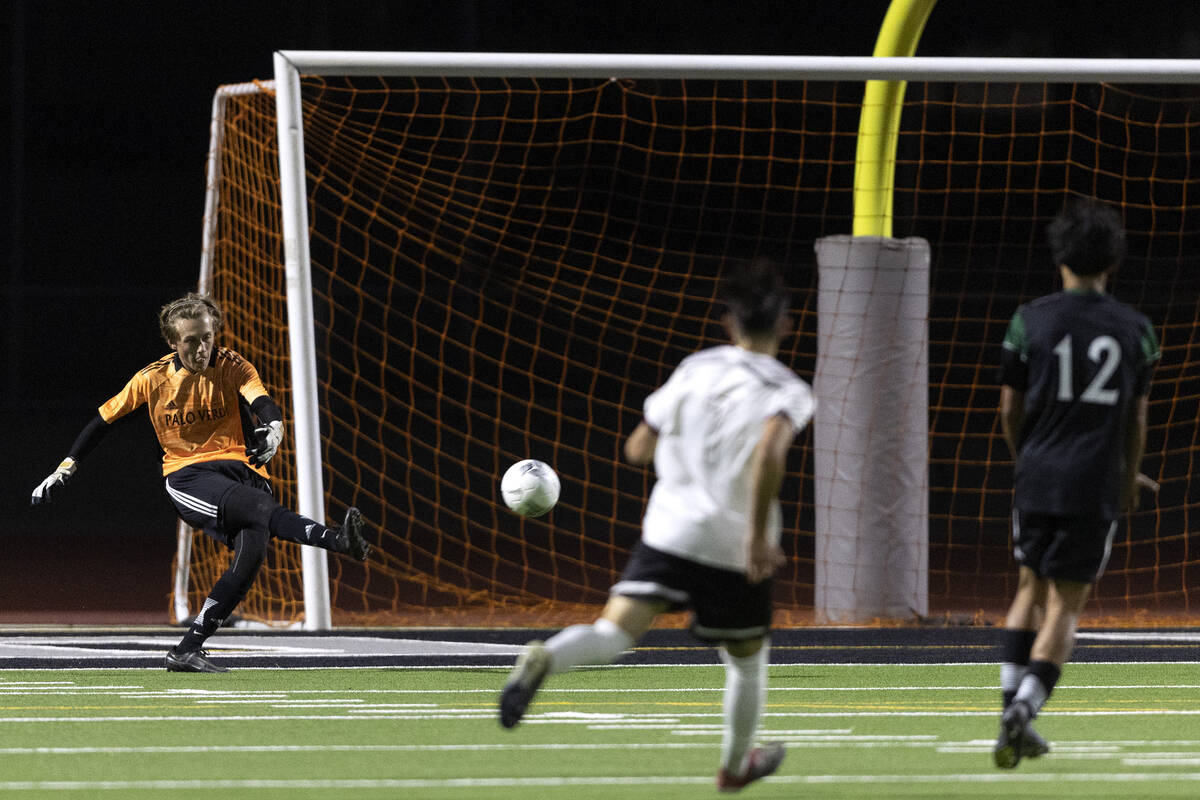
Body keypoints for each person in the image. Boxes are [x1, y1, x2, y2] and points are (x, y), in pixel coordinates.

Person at [498, 258, 814, 792]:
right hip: (731, 545)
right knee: (746, 660)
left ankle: (545, 656)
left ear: (727, 325)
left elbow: (637, 448)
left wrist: (677, 446)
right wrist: (759, 535)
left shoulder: (696, 368)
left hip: (669, 532)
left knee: (613, 633)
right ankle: (736, 768)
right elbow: (768, 453)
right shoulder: (789, 390)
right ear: (786, 326)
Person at [30, 292, 370, 673]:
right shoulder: (153, 378)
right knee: (260, 511)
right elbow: (101, 423)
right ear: (173, 342)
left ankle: (186, 650)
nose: (201, 347)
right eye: (191, 340)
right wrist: (65, 468)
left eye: (207, 337)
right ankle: (337, 540)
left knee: (249, 561)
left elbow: (263, 403)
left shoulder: (232, 364)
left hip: (246, 474)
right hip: (190, 476)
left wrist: (274, 430)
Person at [993, 199, 1159, 768]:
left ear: (1058, 254)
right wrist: (1125, 475)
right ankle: (1027, 707)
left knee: (1026, 591)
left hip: (1037, 477)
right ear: (1112, 260)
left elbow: (1009, 410)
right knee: (1066, 606)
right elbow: (1136, 421)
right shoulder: (1136, 329)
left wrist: (1028, 457)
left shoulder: (1028, 319)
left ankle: (1007, 712)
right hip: (1093, 485)